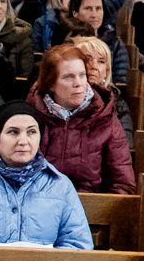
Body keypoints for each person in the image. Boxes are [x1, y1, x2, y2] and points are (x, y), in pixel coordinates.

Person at [0, 102, 93, 249]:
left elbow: (78, 245)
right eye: (13, 132)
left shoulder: (59, 185)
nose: (23, 141)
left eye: (31, 132)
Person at [34, 43, 136, 194]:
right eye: (69, 77)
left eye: (82, 75)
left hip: (89, 203)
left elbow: (123, 184)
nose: (78, 83)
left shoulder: (105, 119)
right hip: (40, 202)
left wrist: (95, 207)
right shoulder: (32, 116)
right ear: (51, 85)